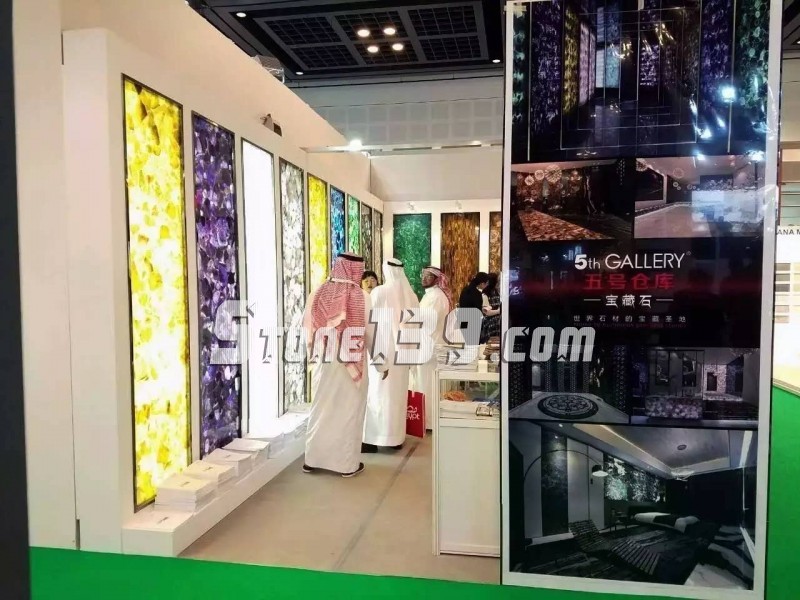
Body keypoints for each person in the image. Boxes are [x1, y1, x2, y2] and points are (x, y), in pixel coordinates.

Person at [302, 253, 391, 477]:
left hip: (324, 362)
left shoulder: (317, 292)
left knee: (321, 409)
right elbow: (372, 333)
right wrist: (382, 363)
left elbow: (307, 327)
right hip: (350, 365)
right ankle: (346, 465)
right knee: (349, 412)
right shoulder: (362, 297)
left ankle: (312, 460)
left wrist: (313, 353)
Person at [362, 259, 419, 453]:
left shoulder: (379, 292)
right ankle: (395, 439)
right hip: (403, 356)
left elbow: (370, 324)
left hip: (382, 352)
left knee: (377, 396)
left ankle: (372, 440)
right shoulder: (412, 296)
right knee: (397, 397)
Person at [411, 266, 453, 427]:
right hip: (430, 345)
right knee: (425, 383)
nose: (424, 278)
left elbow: (427, 322)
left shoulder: (435, 296)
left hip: (430, 347)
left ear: (437, 279)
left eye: (428, 276)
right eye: (423, 275)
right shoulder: (431, 295)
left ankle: (428, 422)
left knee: (426, 384)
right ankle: (426, 420)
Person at [481, 273, 501, 343]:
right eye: (498, 281)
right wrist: (498, 311)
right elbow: (486, 312)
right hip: (490, 324)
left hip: (497, 323)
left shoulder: (497, 292)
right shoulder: (485, 294)